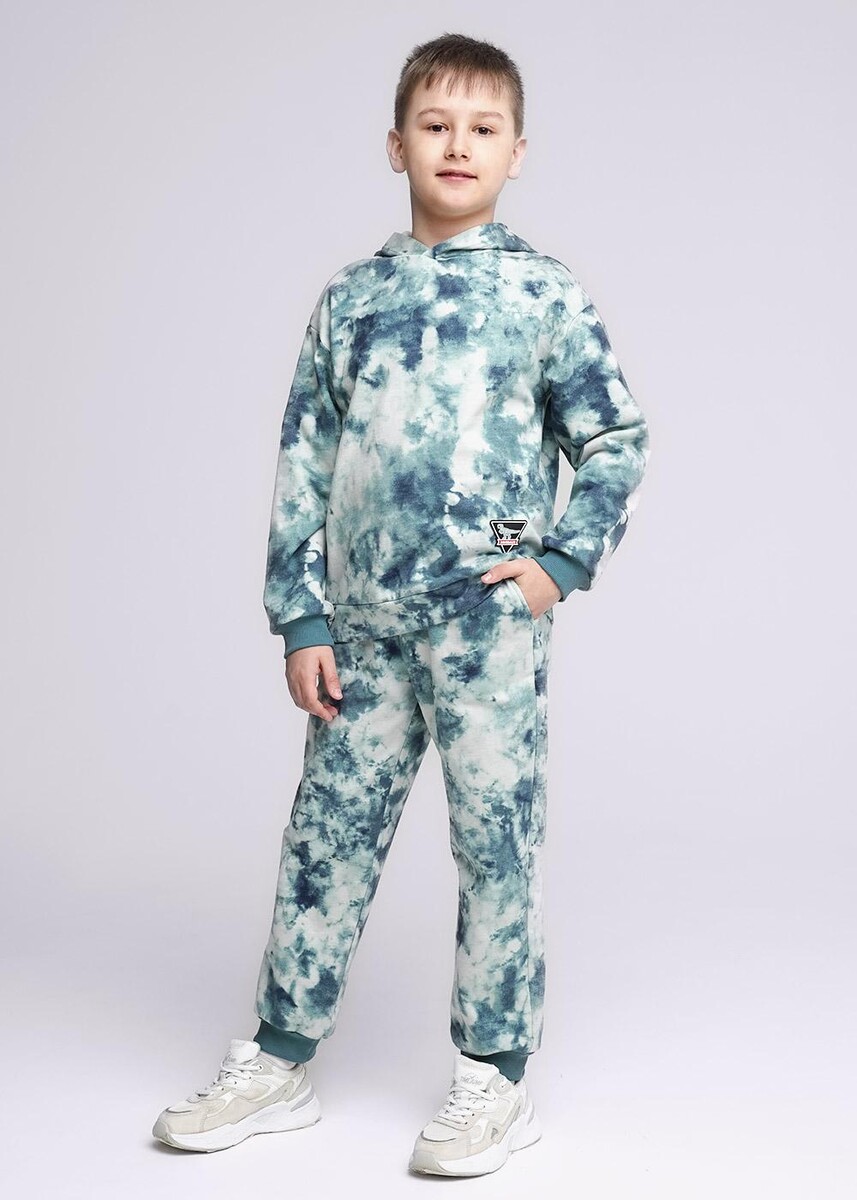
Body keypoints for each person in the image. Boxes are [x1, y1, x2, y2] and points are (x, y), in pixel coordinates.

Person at [152, 30, 650, 1177]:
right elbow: (302, 462)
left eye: (481, 128)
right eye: (435, 125)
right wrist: (301, 617)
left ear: (517, 151)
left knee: (495, 842)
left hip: (486, 626)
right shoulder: (352, 299)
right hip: (360, 632)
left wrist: (558, 564)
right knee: (325, 840)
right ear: (395, 145)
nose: (456, 145)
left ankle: (493, 1078)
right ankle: (278, 1059)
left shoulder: (539, 293)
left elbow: (615, 439)